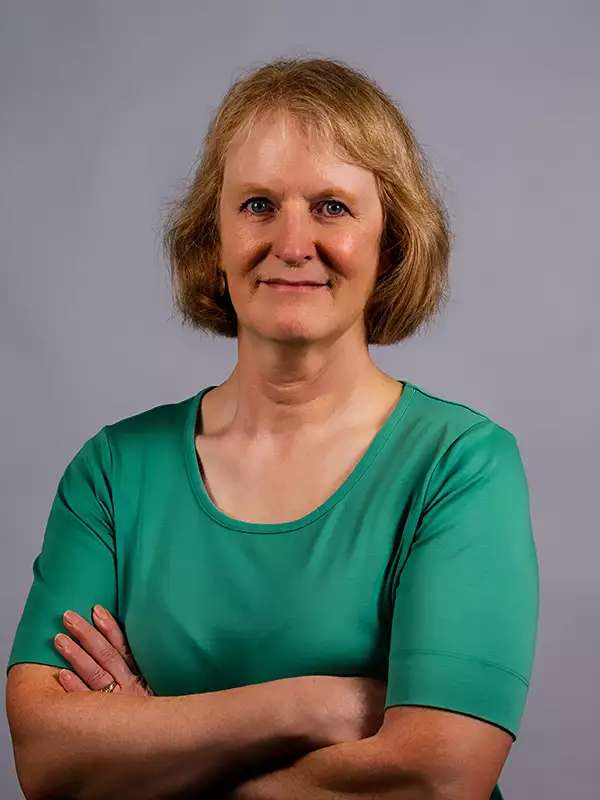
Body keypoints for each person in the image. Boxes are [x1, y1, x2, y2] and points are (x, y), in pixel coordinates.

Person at [5, 57, 539, 800]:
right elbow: (47, 759)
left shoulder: (459, 464)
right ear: (214, 238)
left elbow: (439, 774)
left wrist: (151, 741)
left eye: (332, 207)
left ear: (390, 243)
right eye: (258, 204)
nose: (292, 243)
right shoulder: (114, 471)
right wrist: (312, 707)